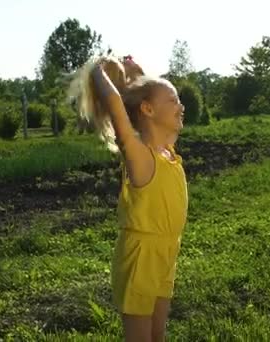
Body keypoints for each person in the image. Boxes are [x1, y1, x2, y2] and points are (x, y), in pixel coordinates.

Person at [67, 54, 188, 341]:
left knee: (158, 334)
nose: (180, 105)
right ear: (148, 109)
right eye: (173, 100)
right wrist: (96, 70)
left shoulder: (166, 150)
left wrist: (135, 73)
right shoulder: (140, 156)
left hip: (167, 251)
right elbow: (119, 111)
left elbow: (145, 98)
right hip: (140, 256)